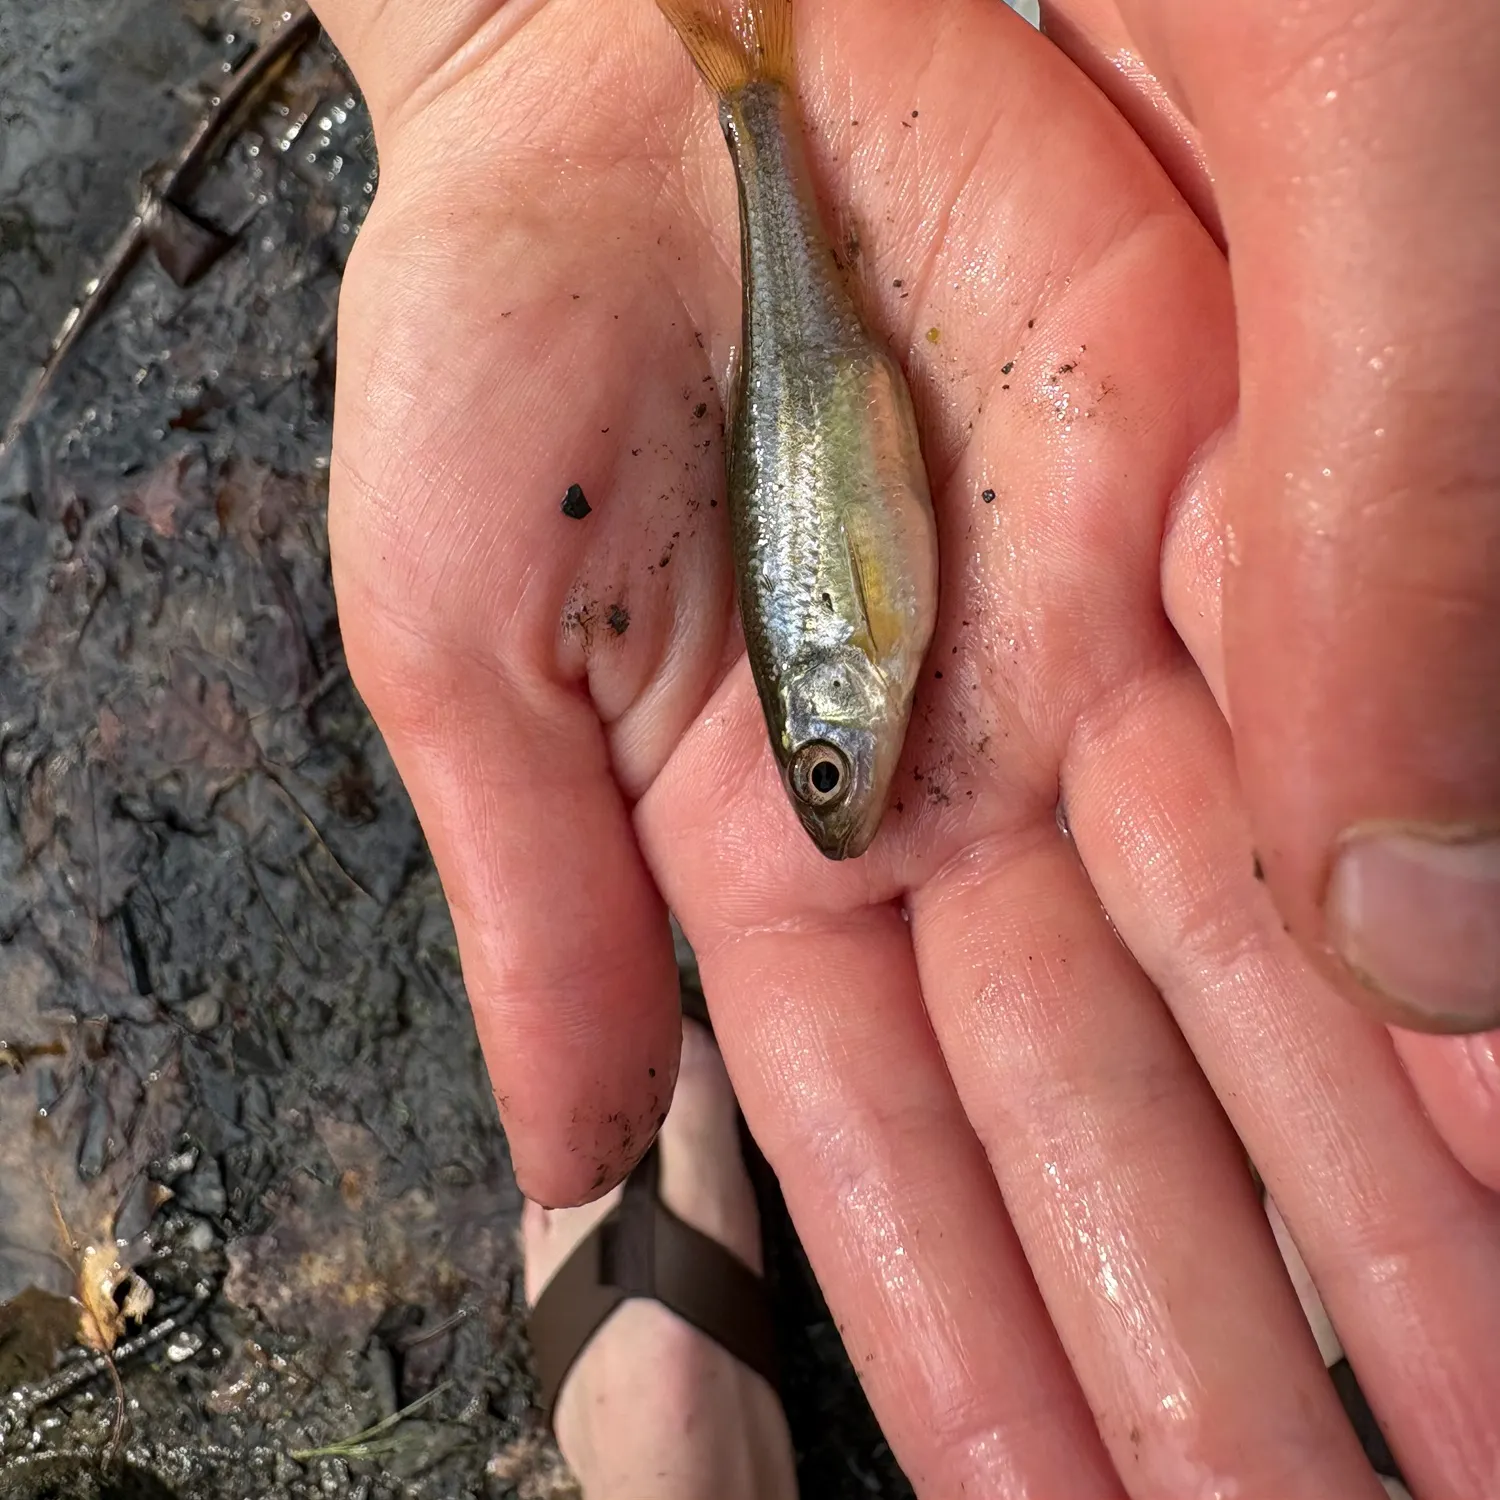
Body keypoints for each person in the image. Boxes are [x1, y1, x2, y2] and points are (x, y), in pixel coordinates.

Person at [307, 0, 1500, 1493]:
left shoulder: (846, 658)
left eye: (825, 773)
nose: (849, 788)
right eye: (828, 778)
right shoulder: (860, 660)